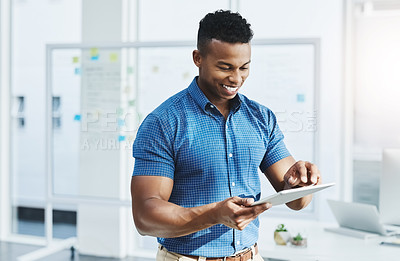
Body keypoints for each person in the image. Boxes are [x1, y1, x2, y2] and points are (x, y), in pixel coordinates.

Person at [130, 9, 321, 261]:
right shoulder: (163, 123)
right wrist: (214, 215)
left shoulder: (261, 118)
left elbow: (298, 201)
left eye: (244, 67)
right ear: (198, 58)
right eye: (225, 67)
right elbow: (145, 217)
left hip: (250, 256)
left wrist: (301, 183)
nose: (236, 78)